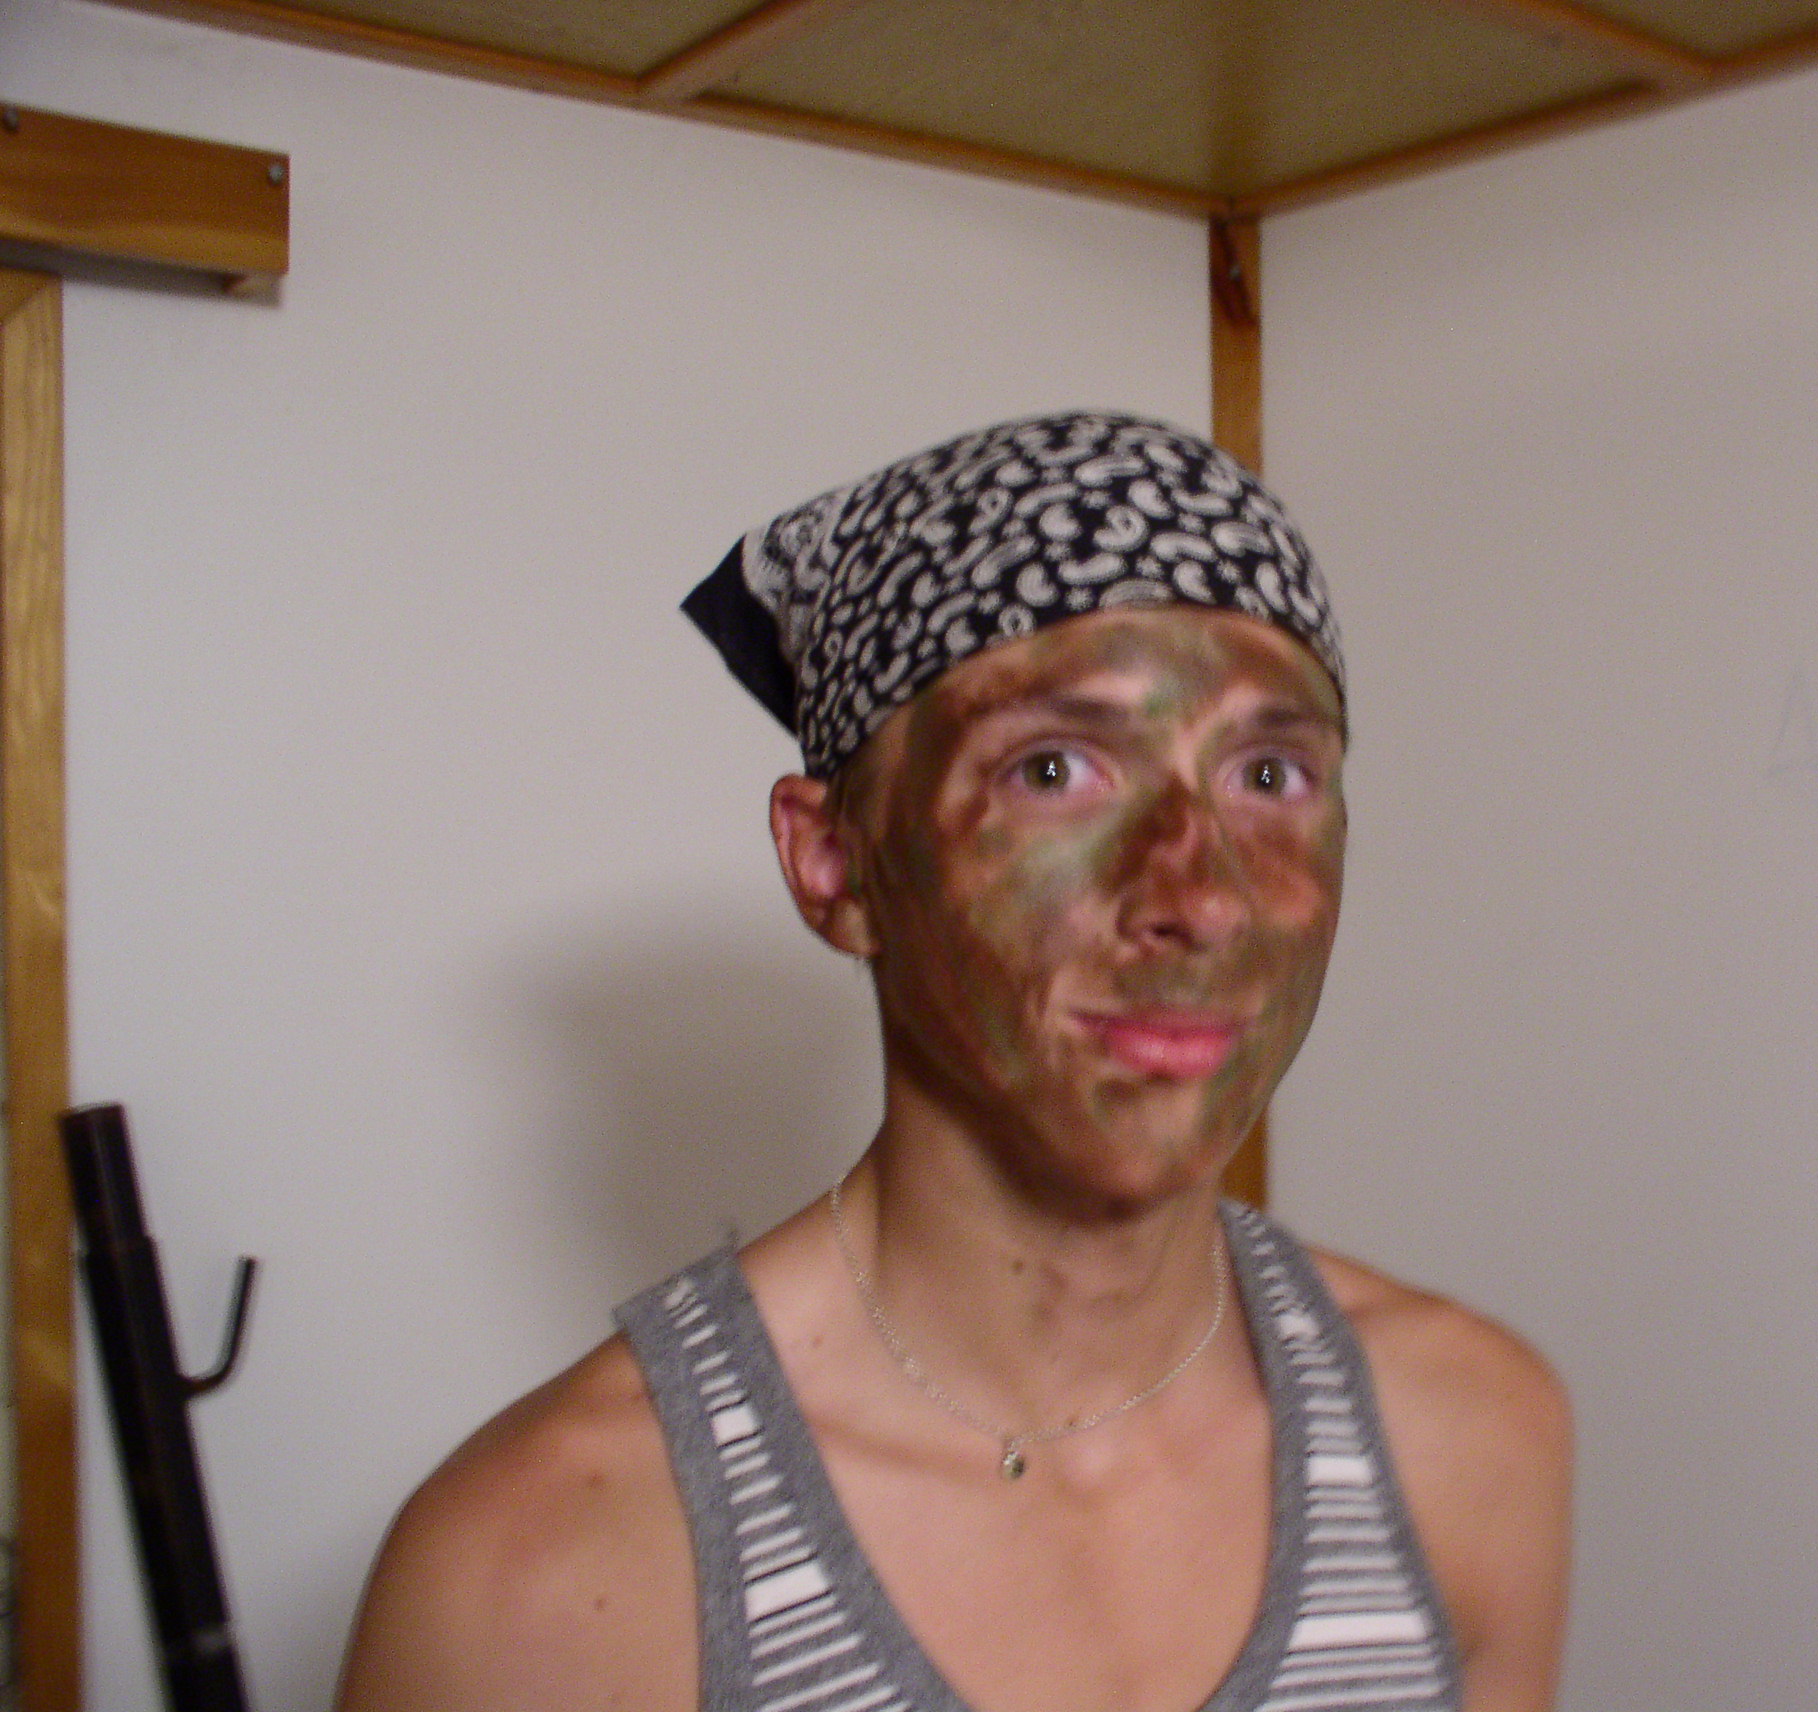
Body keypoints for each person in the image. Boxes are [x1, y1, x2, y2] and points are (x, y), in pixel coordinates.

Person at [336, 412, 1571, 1712]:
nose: (1199, 896)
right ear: (834, 864)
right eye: (1055, 769)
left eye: (1268, 774)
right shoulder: (538, 1580)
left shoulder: (1468, 1437)